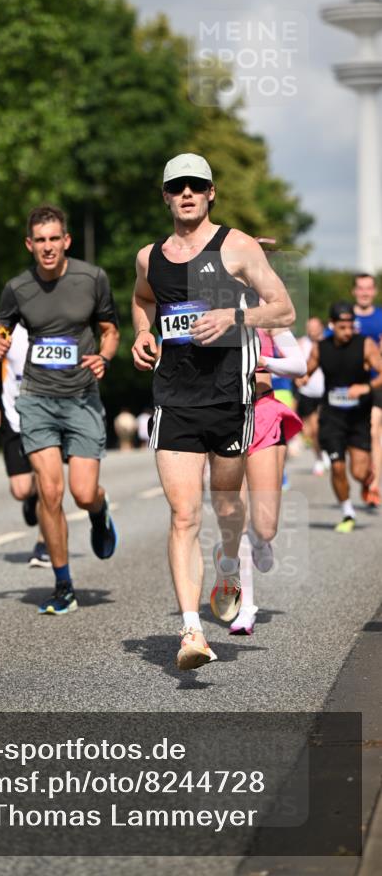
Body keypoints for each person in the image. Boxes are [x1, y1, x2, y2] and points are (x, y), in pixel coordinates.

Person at [131, 152, 295, 670]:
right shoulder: (148, 257)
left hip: (228, 397)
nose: (186, 194)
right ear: (165, 195)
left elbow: (285, 308)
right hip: (174, 399)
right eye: (177, 186)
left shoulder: (237, 246)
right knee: (183, 515)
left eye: (196, 186)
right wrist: (141, 332)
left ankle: (228, 563)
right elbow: (143, 300)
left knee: (227, 508)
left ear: (210, 193)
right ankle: (192, 631)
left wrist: (233, 313)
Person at [0, 203, 120, 615]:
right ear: (30, 244)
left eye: (54, 239)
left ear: (67, 241)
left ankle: (100, 513)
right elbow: (2, 329)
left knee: (81, 493)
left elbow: (110, 330)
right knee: (49, 491)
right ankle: (63, 585)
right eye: (39, 241)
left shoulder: (92, 279)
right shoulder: (17, 288)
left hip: (81, 397)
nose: (47, 248)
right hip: (37, 399)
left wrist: (105, 357)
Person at [230, 325, 305, 636]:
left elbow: (299, 365)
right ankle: (247, 606)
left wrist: (262, 360)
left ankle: (261, 539)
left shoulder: (270, 320)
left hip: (261, 413)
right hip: (224, 418)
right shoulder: (208, 316)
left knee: (264, 526)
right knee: (237, 514)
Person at [302, 301, 382, 533]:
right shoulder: (321, 347)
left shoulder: (364, 345)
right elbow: (306, 370)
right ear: (332, 325)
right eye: (343, 327)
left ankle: (367, 479)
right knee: (337, 467)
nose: (348, 331)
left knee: (358, 472)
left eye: (351, 326)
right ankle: (348, 512)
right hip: (332, 417)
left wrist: (366, 387)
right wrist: (302, 378)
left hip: (358, 418)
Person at [0, 324, 50, 567]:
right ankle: (32, 498)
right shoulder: (7, 328)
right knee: (20, 489)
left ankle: (44, 543)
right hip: (14, 416)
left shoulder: (57, 320)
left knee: (47, 479)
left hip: (49, 417)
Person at [352, 273, 382, 508]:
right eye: (360, 288)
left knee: (373, 430)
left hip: (377, 382)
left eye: (368, 288)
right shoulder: (345, 317)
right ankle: (364, 474)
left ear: (374, 291)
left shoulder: (381, 317)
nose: (364, 292)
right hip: (350, 387)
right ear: (354, 291)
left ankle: (374, 485)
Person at [296, 317, 327, 475]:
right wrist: (297, 380)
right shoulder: (301, 343)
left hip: (326, 391)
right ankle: (319, 458)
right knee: (313, 430)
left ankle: (327, 452)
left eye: (315, 327)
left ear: (322, 327)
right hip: (307, 392)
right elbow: (296, 365)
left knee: (323, 427)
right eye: (309, 327)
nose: (312, 330)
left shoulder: (329, 343)